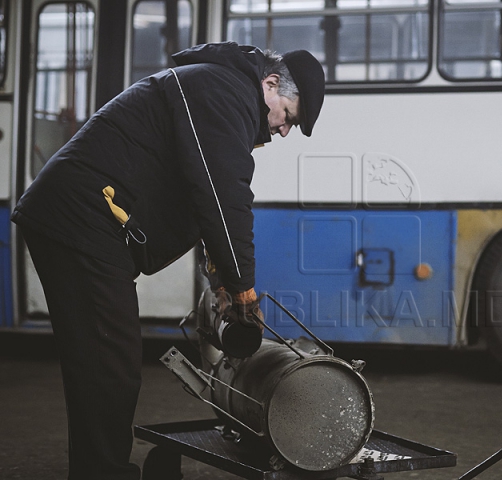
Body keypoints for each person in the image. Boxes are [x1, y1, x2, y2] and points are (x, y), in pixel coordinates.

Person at [11, 42, 325, 480]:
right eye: (288, 116)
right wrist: (243, 293)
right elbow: (224, 201)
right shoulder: (225, 91)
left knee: (103, 364)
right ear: (270, 85)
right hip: (82, 222)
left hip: (84, 223)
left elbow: (201, 204)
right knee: (108, 367)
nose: (283, 131)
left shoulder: (218, 90)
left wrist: (220, 282)